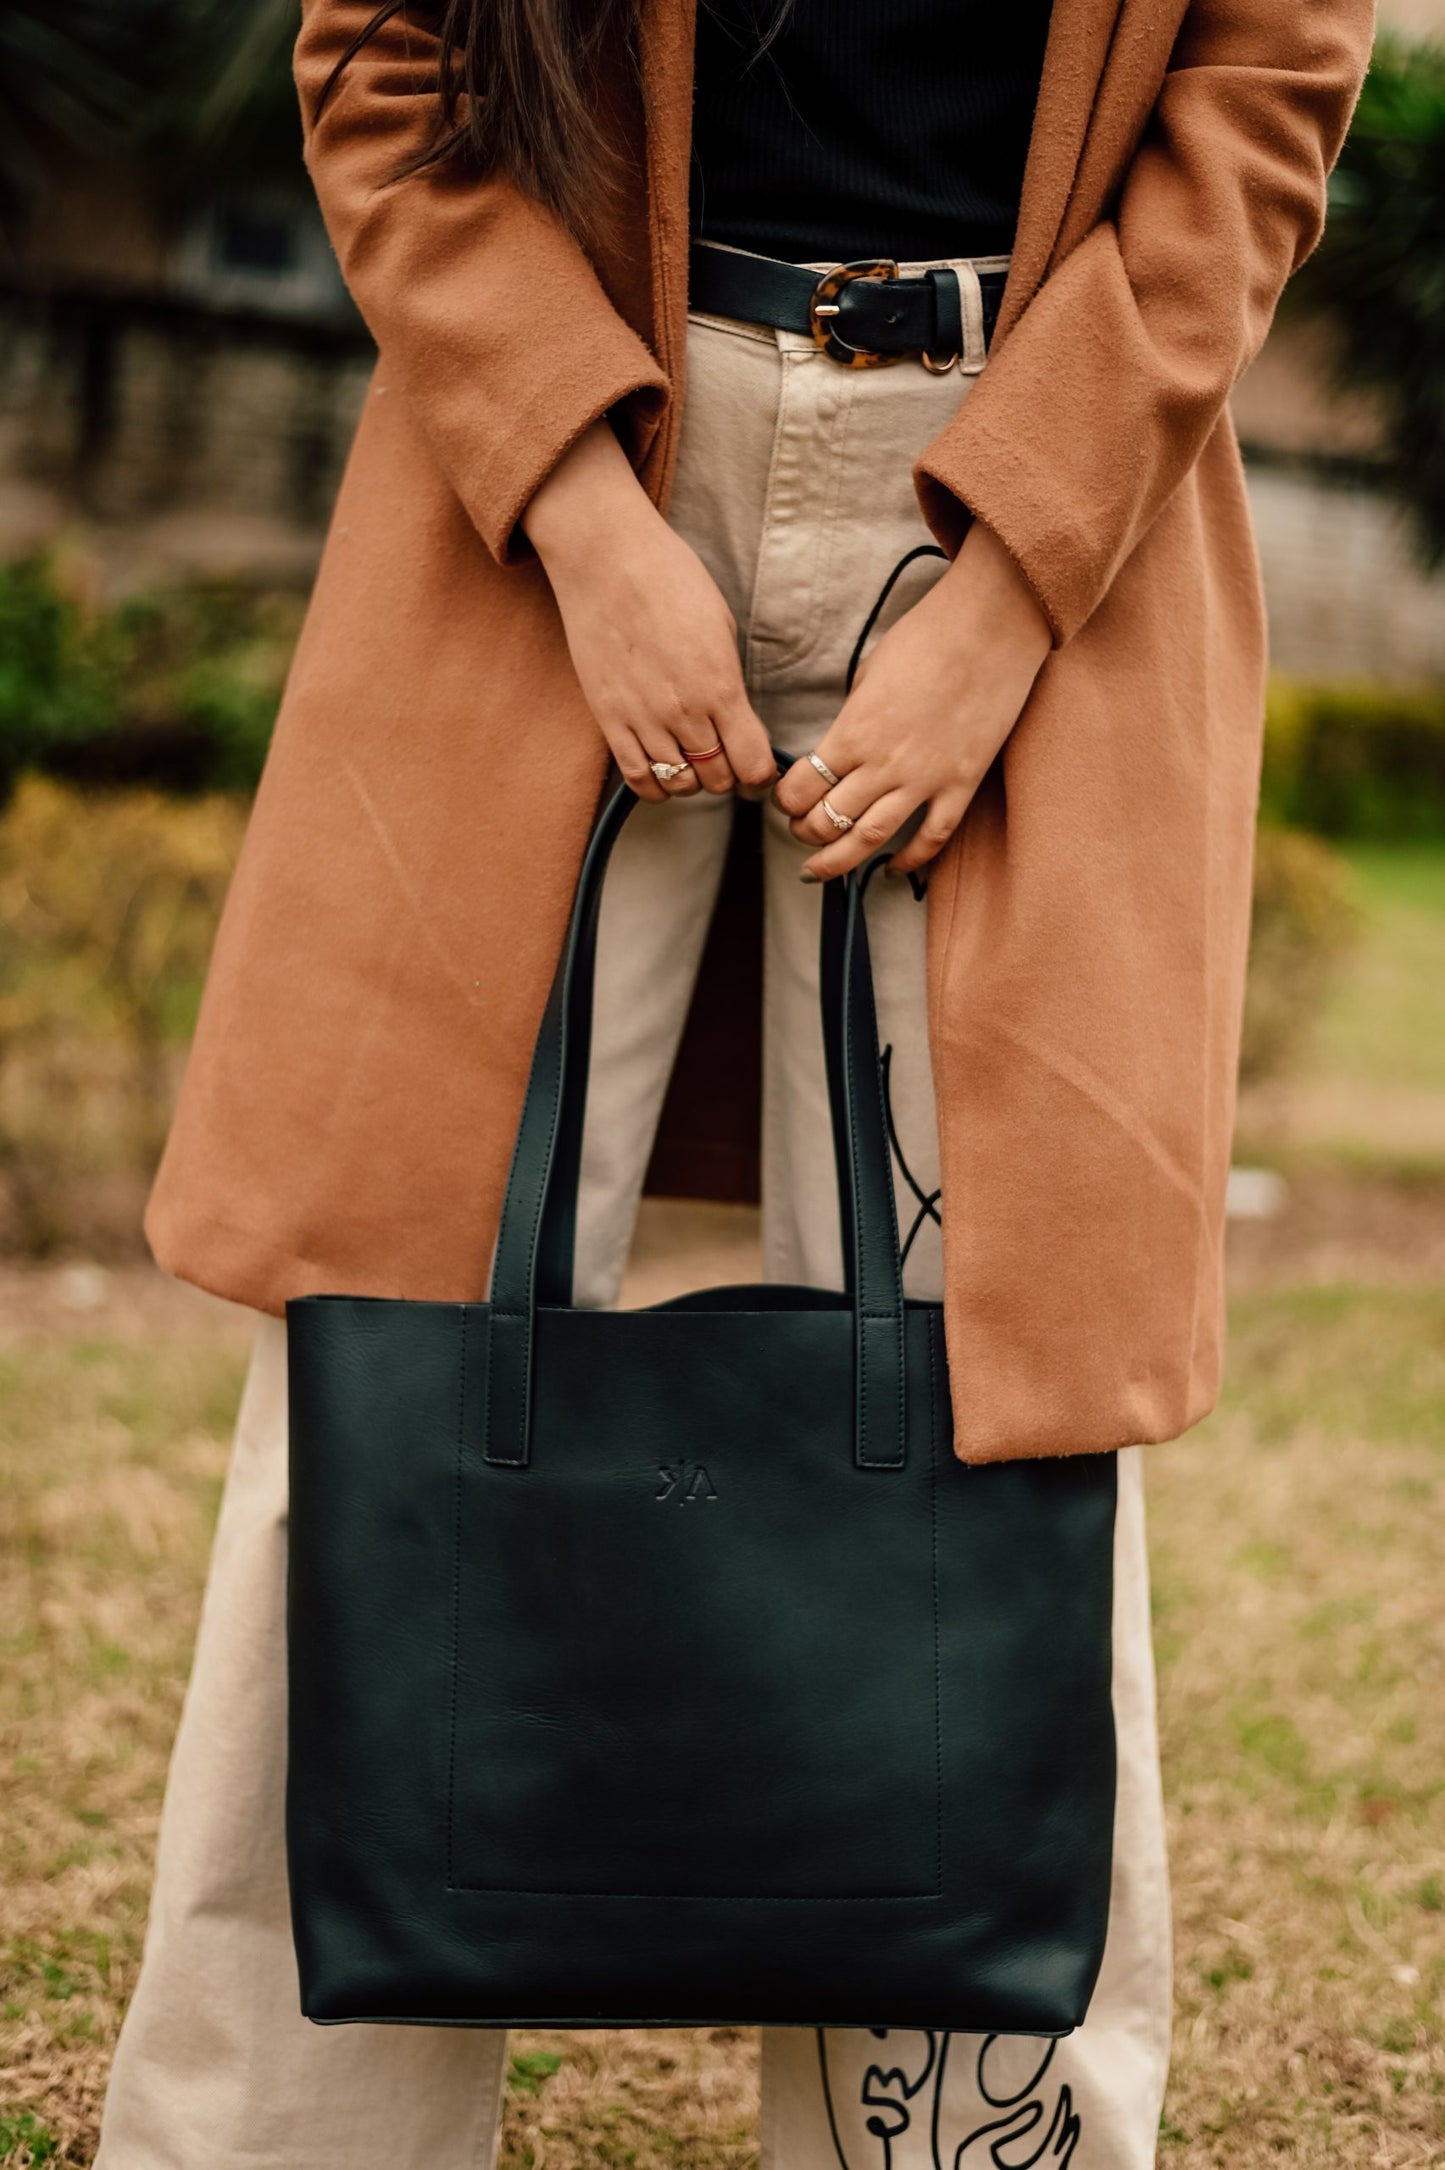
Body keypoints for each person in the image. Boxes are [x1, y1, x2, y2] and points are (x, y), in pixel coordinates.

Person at [94, 0, 1373, 2164]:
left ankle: (983, 2142)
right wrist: (590, 529)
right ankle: (270, 2137)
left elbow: (1255, 105)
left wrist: (1008, 599)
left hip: (1038, 480)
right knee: (388, 1363)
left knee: (1001, 1398)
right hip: (568, 461)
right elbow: (387, 72)